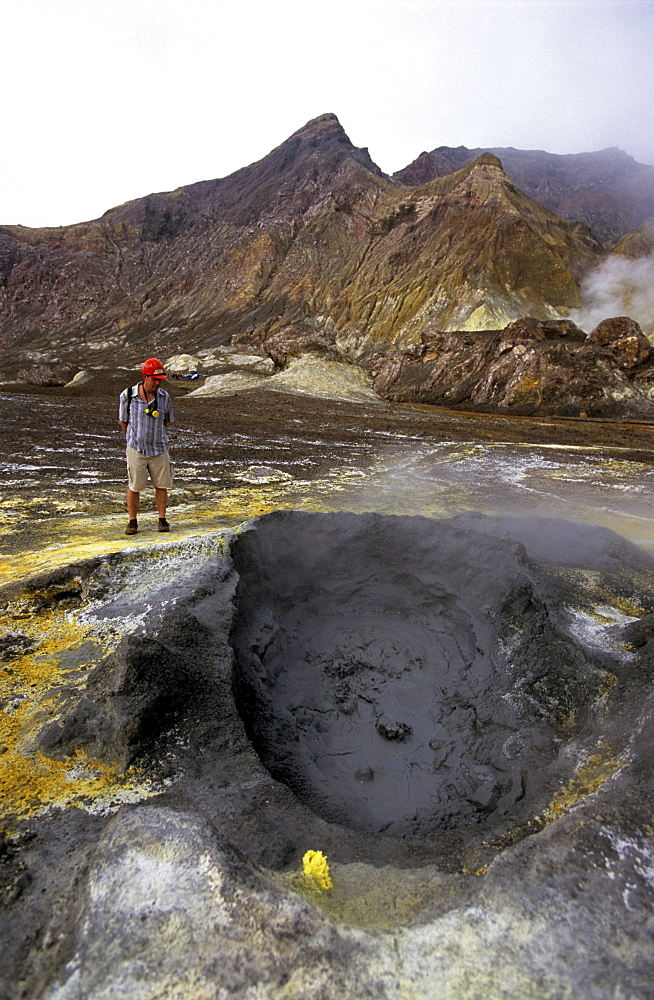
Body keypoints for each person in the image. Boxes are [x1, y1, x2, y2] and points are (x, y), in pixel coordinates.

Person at [118, 358, 174, 535]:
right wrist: (133, 438)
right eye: (154, 379)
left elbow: (166, 421)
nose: (157, 383)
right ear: (144, 377)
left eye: (159, 380)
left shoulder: (165, 397)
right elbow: (123, 420)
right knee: (135, 485)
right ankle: (132, 521)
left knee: (161, 485)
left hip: (159, 449)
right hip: (136, 449)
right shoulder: (127, 396)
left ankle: (162, 520)